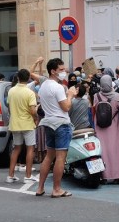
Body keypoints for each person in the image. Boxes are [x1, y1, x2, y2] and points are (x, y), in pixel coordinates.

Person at [36, 58, 76, 197]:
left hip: (48, 122)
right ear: (53, 71)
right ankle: (57, 189)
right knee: (60, 158)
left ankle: (40, 187)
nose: (64, 72)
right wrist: (70, 95)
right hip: (61, 124)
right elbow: (66, 107)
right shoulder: (58, 87)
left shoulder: (43, 86)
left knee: (49, 156)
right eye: (61, 69)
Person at [7, 68, 39, 183]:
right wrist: (36, 118)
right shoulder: (29, 93)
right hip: (27, 123)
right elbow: (33, 110)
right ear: (28, 78)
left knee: (16, 148)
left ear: (18, 78)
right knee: (30, 148)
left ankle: (10, 175)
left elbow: (9, 107)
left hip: (15, 123)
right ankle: (28, 176)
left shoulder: (11, 91)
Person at [94, 75, 119, 183]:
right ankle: (118, 175)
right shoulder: (118, 96)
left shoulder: (96, 96)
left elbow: (94, 109)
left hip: (100, 127)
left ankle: (103, 175)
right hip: (114, 127)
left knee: (102, 151)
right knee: (116, 151)